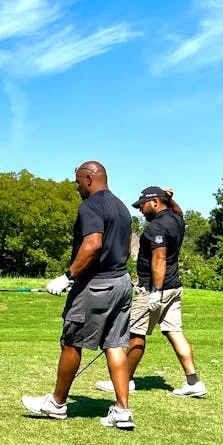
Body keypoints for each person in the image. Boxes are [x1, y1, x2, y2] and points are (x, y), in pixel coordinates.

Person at [22, 161, 136, 430]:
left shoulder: (90, 206)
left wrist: (68, 276)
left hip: (96, 286)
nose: (77, 188)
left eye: (77, 183)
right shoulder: (121, 207)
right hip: (121, 282)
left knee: (71, 342)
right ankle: (122, 410)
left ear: (88, 178)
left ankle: (57, 403)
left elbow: (93, 244)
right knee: (114, 345)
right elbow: (124, 248)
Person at [95, 186, 207, 398]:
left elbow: (159, 259)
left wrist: (155, 291)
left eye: (143, 205)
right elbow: (178, 211)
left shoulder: (155, 228)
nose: (140, 210)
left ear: (155, 202)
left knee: (136, 334)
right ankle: (193, 381)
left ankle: (125, 380)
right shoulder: (177, 219)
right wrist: (171, 199)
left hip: (154, 289)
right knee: (174, 331)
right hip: (174, 287)